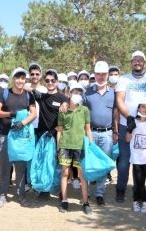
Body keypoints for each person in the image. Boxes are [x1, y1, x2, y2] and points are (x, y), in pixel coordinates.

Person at [114, 50, 146, 203]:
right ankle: (120, 189)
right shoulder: (123, 79)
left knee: (140, 160)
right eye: (134, 60)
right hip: (125, 125)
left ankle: (138, 190)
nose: (137, 62)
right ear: (131, 62)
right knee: (124, 161)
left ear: (144, 62)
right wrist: (129, 118)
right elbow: (119, 100)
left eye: (140, 60)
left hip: (144, 126)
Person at [0, 67, 37, 207]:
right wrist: (11, 114)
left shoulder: (29, 95)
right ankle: (3, 195)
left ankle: (21, 196)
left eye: (23, 78)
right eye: (17, 78)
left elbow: (33, 113)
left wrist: (22, 123)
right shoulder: (4, 93)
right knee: (5, 168)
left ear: (25, 80)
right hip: (5, 136)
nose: (20, 80)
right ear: (13, 79)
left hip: (21, 139)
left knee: (21, 169)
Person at [33, 69, 69, 200]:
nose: (50, 83)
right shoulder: (41, 97)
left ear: (57, 82)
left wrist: (66, 103)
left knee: (60, 164)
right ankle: (45, 190)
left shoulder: (63, 98)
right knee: (45, 164)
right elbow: (27, 87)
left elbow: (69, 108)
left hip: (58, 135)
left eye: (53, 80)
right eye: (47, 80)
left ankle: (61, 189)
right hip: (44, 136)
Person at [57, 83, 93, 214]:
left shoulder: (84, 110)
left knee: (82, 175)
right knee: (65, 173)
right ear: (69, 93)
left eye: (79, 93)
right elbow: (60, 130)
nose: (77, 95)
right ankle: (65, 201)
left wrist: (91, 146)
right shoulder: (63, 110)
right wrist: (58, 147)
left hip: (80, 146)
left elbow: (88, 129)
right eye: (74, 92)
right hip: (65, 146)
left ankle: (85, 202)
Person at [84, 61, 115, 205]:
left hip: (107, 134)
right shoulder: (87, 92)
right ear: (94, 75)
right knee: (90, 163)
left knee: (103, 164)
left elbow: (116, 114)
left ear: (108, 75)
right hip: (90, 133)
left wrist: (116, 132)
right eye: (98, 74)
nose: (101, 77)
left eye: (104, 74)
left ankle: (100, 193)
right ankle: (87, 193)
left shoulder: (114, 93)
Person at [126, 98, 146, 213]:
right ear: (138, 108)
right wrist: (129, 129)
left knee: (141, 180)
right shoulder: (133, 121)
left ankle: (139, 200)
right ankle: (141, 201)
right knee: (138, 179)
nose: (144, 109)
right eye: (142, 106)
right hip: (135, 156)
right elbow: (127, 139)